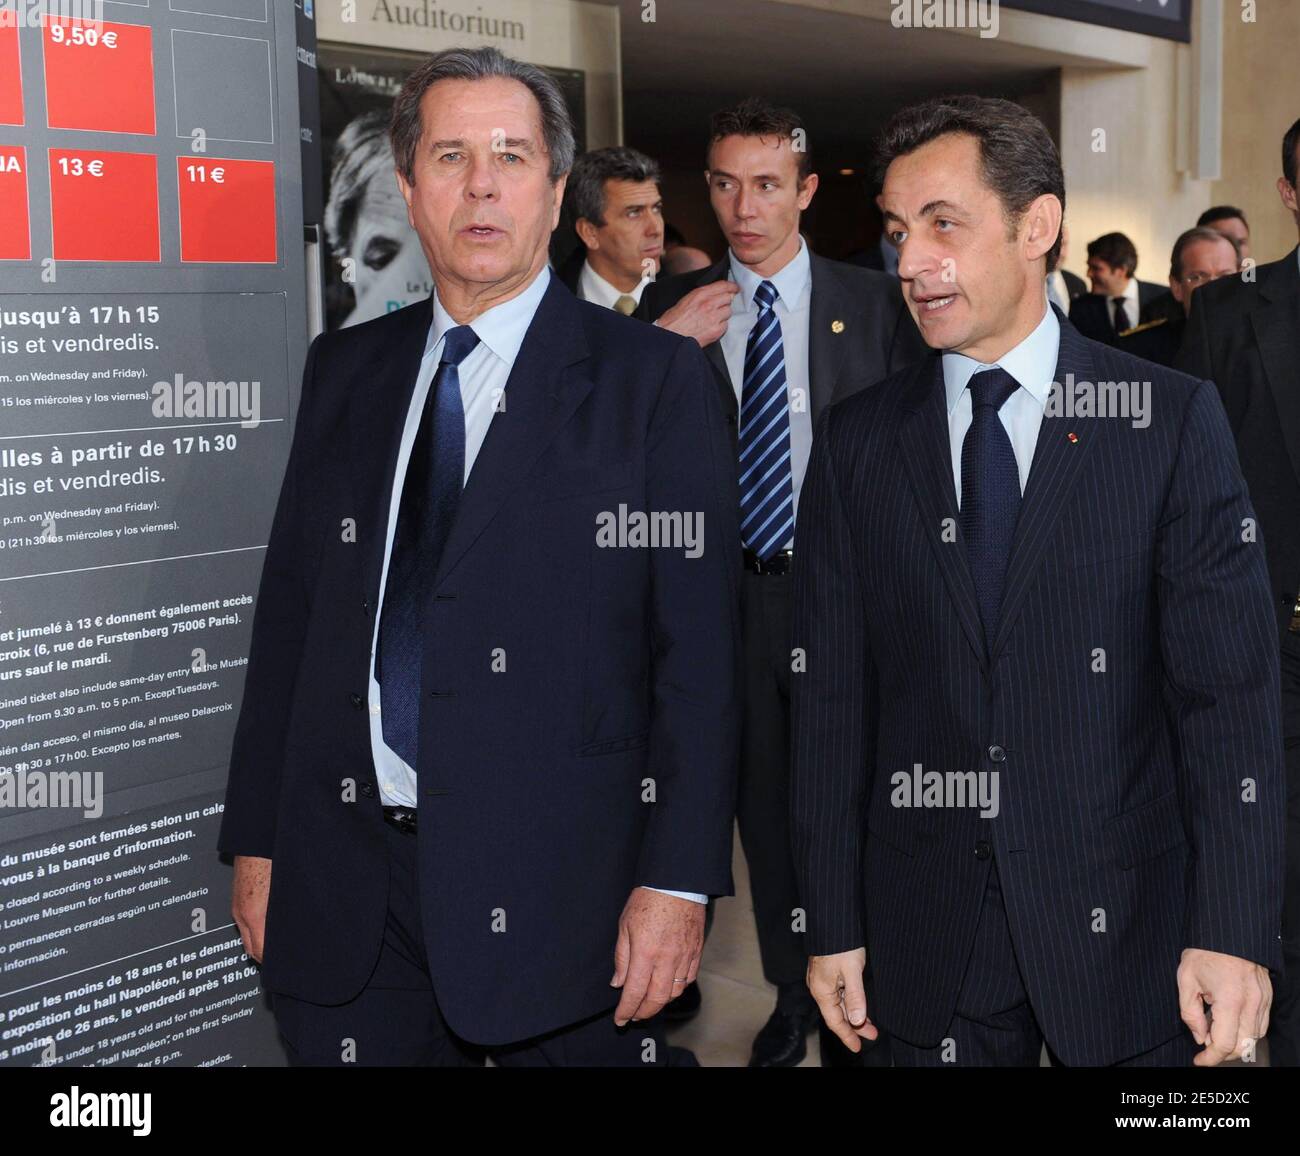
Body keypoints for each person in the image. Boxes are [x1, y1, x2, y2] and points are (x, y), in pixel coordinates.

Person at [219, 45, 741, 1067]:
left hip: (563, 900)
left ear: (556, 191)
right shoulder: (347, 371)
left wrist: (678, 880)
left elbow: (701, 662)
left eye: (511, 154)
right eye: (450, 156)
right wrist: (260, 836)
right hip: (351, 892)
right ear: (411, 190)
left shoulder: (651, 384)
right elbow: (292, 619)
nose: (482, 183)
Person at [792, 94, 1285, 1068]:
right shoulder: (856, 444)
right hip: (924, 940)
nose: (911, 261)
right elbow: (829, 702)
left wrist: (1231, 928)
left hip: (1131, 936)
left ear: (1038, 226)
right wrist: (829, 918)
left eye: (943, 223)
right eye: (895, 232)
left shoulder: (1167, 420)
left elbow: (1225, 701)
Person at [637, 95, 924, 1068]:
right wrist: (661, 358)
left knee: (855, 803)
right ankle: (796, 993)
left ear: (804, 188)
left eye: (765, 184)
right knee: (764, 813)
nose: (742, 207)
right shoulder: (663, 315)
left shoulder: (880, 307)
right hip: (731, 605)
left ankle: (874, 988)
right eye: (722, 184)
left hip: (851, 600)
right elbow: (603, 459)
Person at [1176, 116, 1300, 1067]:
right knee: (1282, 905)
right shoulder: (1230, 314)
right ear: (1290, 195)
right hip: (1278, 657)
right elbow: (1183, 496)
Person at [324, 110, 435, 328]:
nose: (410, 279)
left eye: (433, 254)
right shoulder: (332, 357)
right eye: (382, 259)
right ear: (347, 256)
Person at [557, 145, 664, 313]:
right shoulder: (546, 303)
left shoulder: (687, 297)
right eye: (634, 213)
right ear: (589, 233)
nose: (655, 229)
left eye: (656, 208)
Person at [1117, 226, 1240, 367]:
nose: (1213, 288)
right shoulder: (1137, 353)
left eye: (1225, 276)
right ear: (1177, 287)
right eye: (1198, 277)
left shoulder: (1261, 342)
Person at [1069, 231, 1166, 343]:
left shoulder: (1164, 299)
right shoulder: (1080, 308)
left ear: (1121, 271)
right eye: (1089, 266)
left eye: (1096, 268)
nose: (1088, 274)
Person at [1045, 224, 1085, 311]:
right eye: (1054, 245)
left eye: (1064, 244)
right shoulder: (1025, 283)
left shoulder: (1078, 285)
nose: (1060, 253)